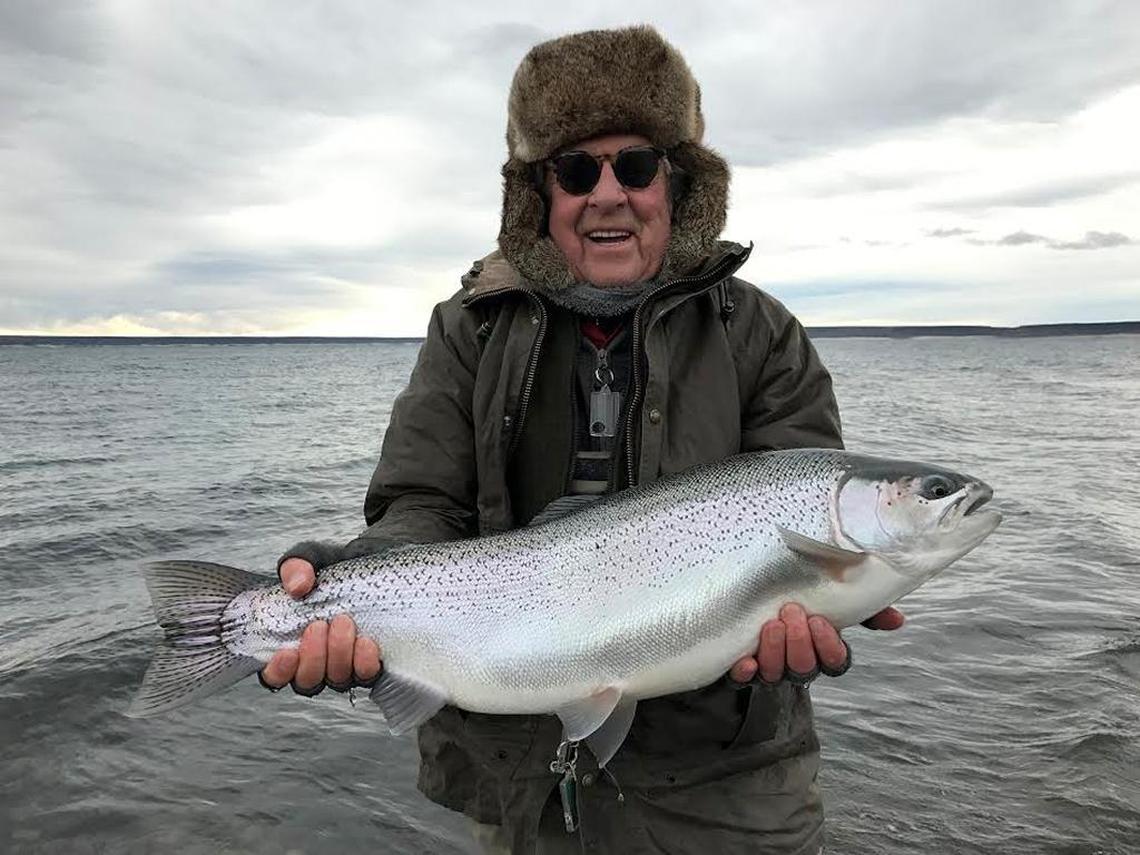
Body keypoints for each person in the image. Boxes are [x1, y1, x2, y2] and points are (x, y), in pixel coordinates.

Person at [259, 26, 903, 854]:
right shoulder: (468, 330)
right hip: (517, 782)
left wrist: (811, 628)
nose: (608, 195)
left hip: (726, 784)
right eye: (575, 171)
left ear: (676, 185)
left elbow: (803, 521)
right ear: (539, 196)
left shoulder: (762, 334)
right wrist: (347, 577)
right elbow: (419, 503)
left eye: (635, 166)